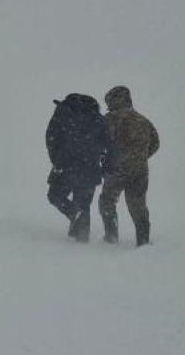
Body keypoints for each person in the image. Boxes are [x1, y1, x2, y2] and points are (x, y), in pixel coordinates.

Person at [99, 86, 160, 246]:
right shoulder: (144, 121)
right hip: (140, 171)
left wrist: (106, 159)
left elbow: (100, 143)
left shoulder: (108, 119)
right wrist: (140, 157)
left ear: (114, 100)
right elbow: (155, 144)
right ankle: (143, 241)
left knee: (107, 201)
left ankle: (111, 238)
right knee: (138, 205)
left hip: (116, 170)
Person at [45, 93, 110, 243]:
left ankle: (73, 212)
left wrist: (57, 159)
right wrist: (105, 164)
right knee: (84, 203)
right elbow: (108, 144)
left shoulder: (63, 112)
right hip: (90, 168)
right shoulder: (98, 118)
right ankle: (82, 240)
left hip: (65, 165)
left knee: (55, 195)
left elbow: (51, 137)